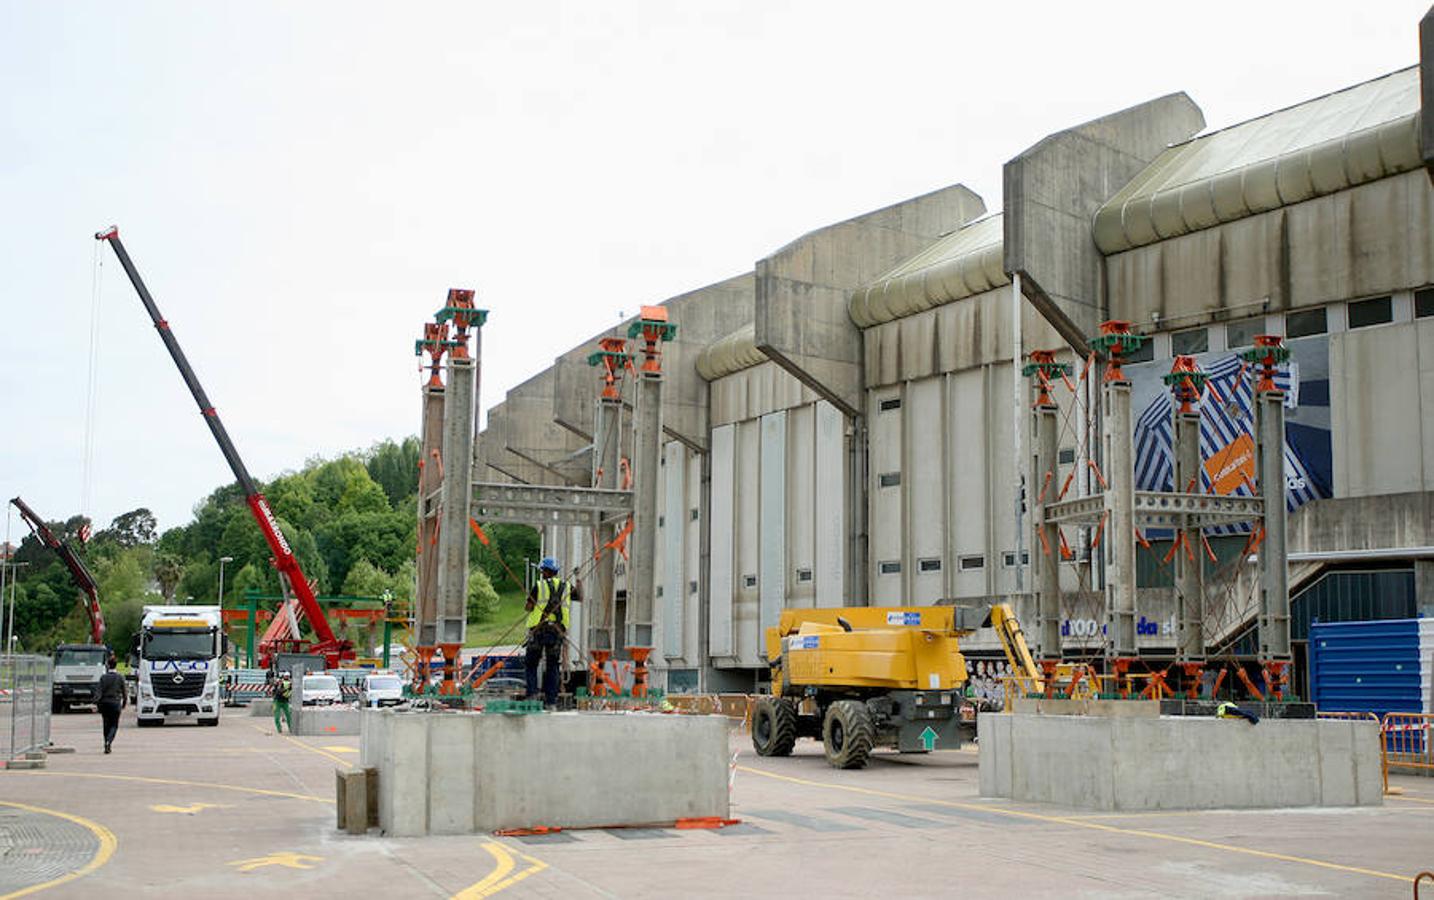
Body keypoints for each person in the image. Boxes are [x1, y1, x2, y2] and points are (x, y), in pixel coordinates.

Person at [524, 556, 579, 707]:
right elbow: (580, 596)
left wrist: (530, 603)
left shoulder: (539, 586)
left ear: (544, 571)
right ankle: (551, 701)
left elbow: (528, 607)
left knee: (531, 664)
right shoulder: (566, 586)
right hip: (557, 632)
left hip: (538, 630)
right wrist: (578, 579)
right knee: (553, 666)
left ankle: (532, 696)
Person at [97, 655, 126, 754]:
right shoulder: (120, 677)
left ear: (108, 666)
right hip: (115, 703)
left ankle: (105, 742)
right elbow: (124, 692)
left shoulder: (103, 678)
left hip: (104, 703)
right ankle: (109, 741)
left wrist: (96, 703)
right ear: (116, 665)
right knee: (114, 725)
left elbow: (99, 692)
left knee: (106, 724)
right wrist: (124, 704)